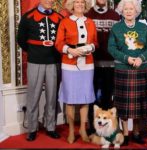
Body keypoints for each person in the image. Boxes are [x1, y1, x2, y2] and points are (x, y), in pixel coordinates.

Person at [108, 0, 147, 145]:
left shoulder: (143, 28)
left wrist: (141, 58)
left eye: (131, 9)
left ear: (136, 11)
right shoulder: (116, 28)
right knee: (123, 106)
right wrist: (126, 58)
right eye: (126, 9)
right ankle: (125, 134)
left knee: (138, 105)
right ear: (121, 11)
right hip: (123, 70)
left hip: (140, 70)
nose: (128, 11)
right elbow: (111, 48)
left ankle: (136, 132)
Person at [17, 0, 63, 142]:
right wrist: (34, 51)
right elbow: (21, 40)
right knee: (33, 96)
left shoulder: (59, 18)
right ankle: (32, 128)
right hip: (35, 61)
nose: (49, 1)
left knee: (52, 97)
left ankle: (50, 127)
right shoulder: (28, 17)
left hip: (53, 62)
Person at [55, 0, 97, 144]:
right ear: (72, 5)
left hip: (87, 65)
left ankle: (83, 129)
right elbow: (59, 43)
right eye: (77, 2)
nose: (79, 4)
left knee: (85, 98)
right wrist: (70, 50)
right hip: (69, 64)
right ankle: (72, 130)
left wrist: (89, 48)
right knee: (70, 99)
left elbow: (95, 43)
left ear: (85, 6)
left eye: (82, 2)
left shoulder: (91, 22)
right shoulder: (65, 22)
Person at [85, 0, 120, 133]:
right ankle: (92, 127)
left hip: (110, 63)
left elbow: (118, 40)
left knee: (107, 95)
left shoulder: (115, 15)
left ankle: (106, 127)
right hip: (90, 63)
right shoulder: (88, 14)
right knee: (91, 96)